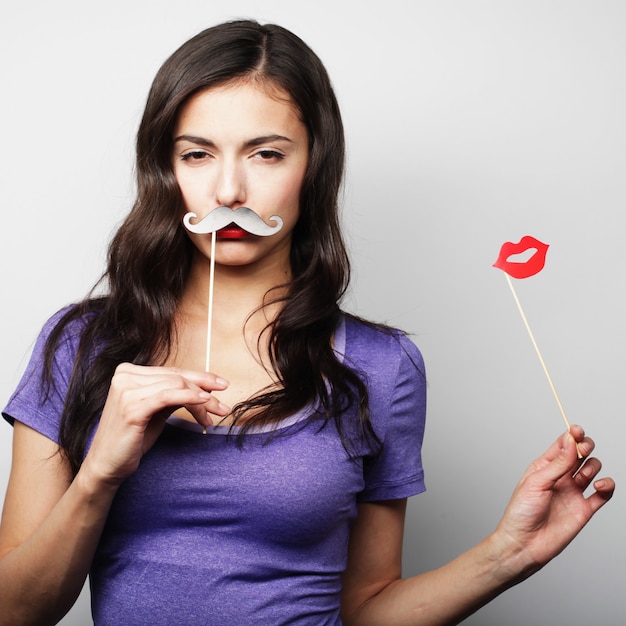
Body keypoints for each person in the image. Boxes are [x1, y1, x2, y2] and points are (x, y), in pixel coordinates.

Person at [0, 19, 614, 626]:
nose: (229, 190)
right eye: (197, 154)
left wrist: (508, 554)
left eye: (266, 154)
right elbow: (14, 612)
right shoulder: (80, 347)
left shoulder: (382, 366)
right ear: (166, 170)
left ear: (314, 166)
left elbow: (368, 611)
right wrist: (99, 473)